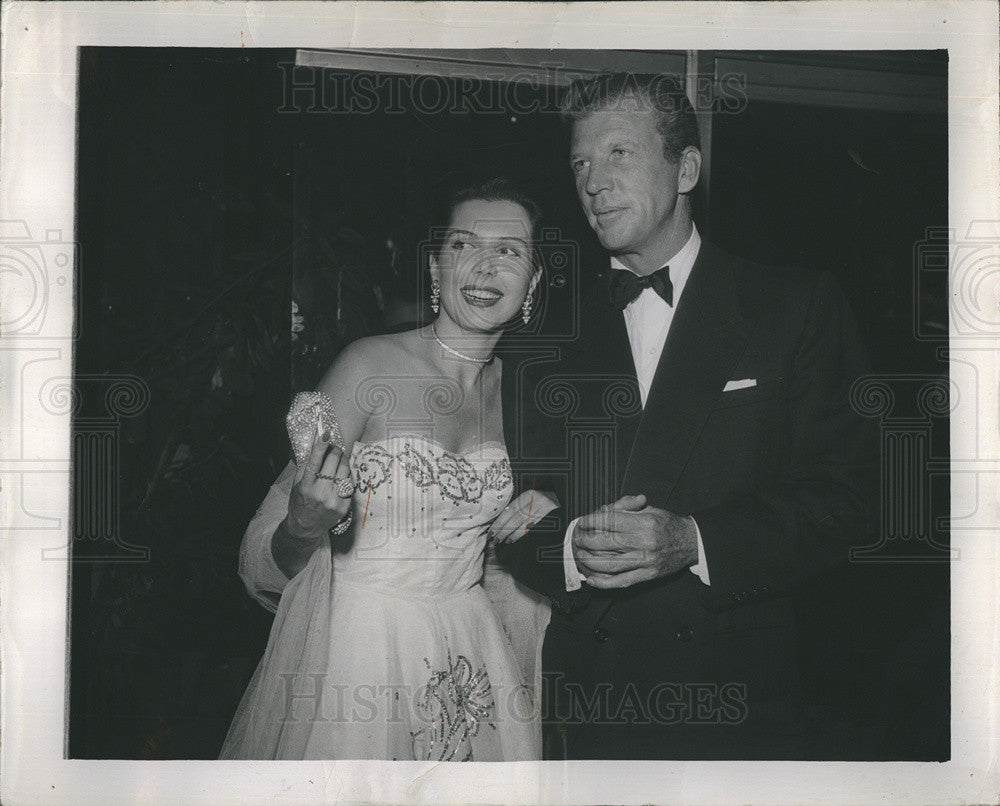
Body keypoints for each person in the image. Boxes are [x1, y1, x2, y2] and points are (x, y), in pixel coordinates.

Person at [495, 73, 879, 760]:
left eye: (619, 154)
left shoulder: (795, 307)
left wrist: (696, 542)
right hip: (595, 702)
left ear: (687, 168)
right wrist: (567, 551)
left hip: (739, 696)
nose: (593, 181)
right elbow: (514, 514)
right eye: (580, 162)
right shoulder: (547, 332)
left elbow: (852, 498)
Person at [220, 178, 555, 761]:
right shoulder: (368, 366)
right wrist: (303, 525)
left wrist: (544, 517)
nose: (484, 267)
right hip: (357, 652)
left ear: (534, 281)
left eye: (510, 251)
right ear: (434, 270)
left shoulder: (526, 397)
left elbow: (509, 560)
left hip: (470, 654)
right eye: (463, 245)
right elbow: (259, 559)